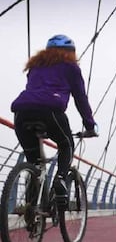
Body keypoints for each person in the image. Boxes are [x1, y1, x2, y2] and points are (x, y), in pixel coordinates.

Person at [11, 34, 98, 206]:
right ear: (71, 52)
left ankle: (31, 210)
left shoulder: (35, 66)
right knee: (66, 145)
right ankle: (60, 180)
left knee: (34, 163)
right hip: (50, 111)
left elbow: (34, 90)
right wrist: (90, 125)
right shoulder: (71, 67)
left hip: (21, 113)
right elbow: (80, 98)